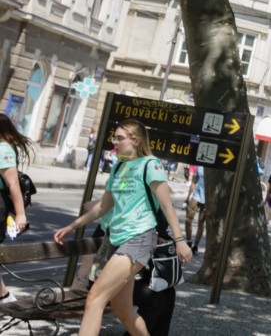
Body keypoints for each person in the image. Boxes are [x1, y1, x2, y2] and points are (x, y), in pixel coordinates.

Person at [54, 119, 192, 335]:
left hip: (139, 239)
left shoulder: (150, 165)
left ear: (136, 140)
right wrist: (72, 226)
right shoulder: (118, 165)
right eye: (114, 138)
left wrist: (180, 241)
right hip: (117, 241)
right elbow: (103, 206)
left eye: (119, 138)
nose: (114, 142)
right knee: (122, 310)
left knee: (95, 298)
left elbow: (167, 206)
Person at [0, 113, 32, 303]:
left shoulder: (3, 148)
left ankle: (4, 296)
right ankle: (4, 296)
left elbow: (13, 184)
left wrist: (20, 214)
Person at [184, 166, 205, 254]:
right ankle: (189, 242)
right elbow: (194, 181)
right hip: (196, 196)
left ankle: (195, 245)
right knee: (188, 219)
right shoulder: (199, 167)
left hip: (207, 200)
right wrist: (188, 196)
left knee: (201, 222)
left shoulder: (215, 168)